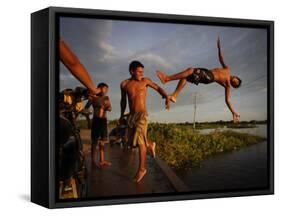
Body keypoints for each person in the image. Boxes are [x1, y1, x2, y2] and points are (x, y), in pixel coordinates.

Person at [156, 37, 242, 123]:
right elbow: (221, 59)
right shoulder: (227, 69)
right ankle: (174, 96)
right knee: (185, 76)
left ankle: (167, 79)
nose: (235, 82)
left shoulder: (228, 86)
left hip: (209, 77)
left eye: (236, 84)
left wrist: (233, 112)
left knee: (190, 70)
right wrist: (219, 48)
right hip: (207, 72)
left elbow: (227, 100)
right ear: (236, 77)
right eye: (237, 81)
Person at [119, 60, 170, 183]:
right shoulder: (124, 84)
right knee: (131, 142)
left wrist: (166, 96)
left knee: (141, 142)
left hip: (142, 114)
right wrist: (121, 115)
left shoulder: (145, 81)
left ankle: (142, 169)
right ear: (132, 71)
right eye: (139, 72)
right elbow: (123, 101)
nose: (141, 74)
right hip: (131, 116)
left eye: (142, 72)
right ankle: (151, 144)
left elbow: (158, 88)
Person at [90, 83, 112, 168]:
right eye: (104, 89)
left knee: (103, 141)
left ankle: (102, 160)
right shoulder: (93, 97)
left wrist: (107, 106)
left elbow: (110, 108)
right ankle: (92, 161)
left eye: (107, 89)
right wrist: (96, 91)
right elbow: (89, 97)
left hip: (103, 120)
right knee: (94, 141)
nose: (106, 91)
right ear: (99, 88)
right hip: (96, 120)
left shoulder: (106, 98)